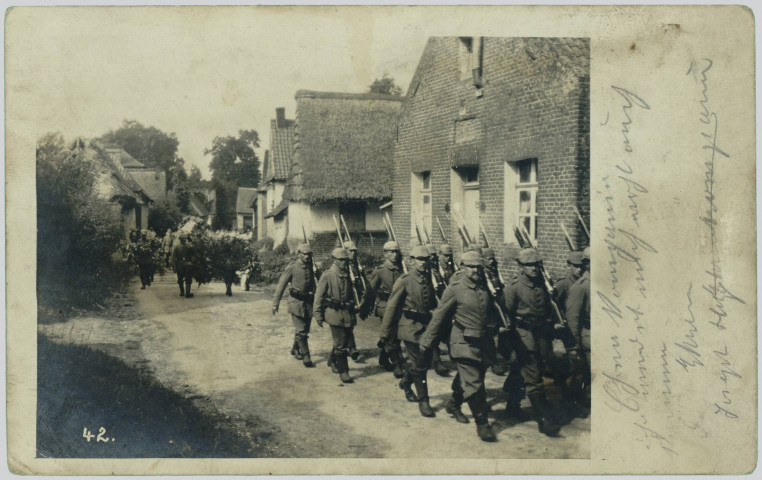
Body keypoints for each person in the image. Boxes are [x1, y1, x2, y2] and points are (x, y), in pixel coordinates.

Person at [420, 250, 501, 442]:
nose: (475, 270)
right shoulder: (455, 288)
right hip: (462, 341)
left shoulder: (484, 286)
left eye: (478, 267)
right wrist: (427, 341)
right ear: (463, 267)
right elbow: (439, 316)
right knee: (474, 383)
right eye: (471, 267)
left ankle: (454, 404)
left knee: (474, 376)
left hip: (483, 341)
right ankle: (483, 424)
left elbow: (492, 310)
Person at [502, 248, 561, 437]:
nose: (534, 268)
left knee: (523, 371)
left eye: (536, 264)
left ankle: (512, 405)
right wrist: (510, 343)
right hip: (523, 336)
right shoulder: (513, 287)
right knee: (533, 377)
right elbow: (506, 316)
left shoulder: (541, 284)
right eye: (529, 265)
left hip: (541, 335)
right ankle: (542, 420)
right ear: (520, 266)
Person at [380, 245, 439, 417]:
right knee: (420, 363)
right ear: (411, 261)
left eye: (425, 260)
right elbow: (391, 307)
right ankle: (424, 400)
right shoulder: (404, 280)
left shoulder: (428, 278)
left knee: (423, 362)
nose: (423, 263)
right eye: (419, 260)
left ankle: (406, 382)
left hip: (425, 327)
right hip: (409, 327)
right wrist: (384, 333)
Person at [313, 247, 358, 384]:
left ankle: (333, 360)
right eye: (341, 260)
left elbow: (352, 293)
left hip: (347, 313)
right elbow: (319, 296)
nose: (344, 263)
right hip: (334, 313)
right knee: (341, 344)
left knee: (342, 340)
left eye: (346, 260)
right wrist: (318, 314)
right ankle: (344, 371)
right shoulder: (328, 275)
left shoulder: (347, 275)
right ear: (334, 260)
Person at [272, 243, 317, 368]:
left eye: (309, 254)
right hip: (295, 303)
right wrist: (275, 304)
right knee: (302, 331)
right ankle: (306, 356)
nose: (307, 257)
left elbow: (316, 284)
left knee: (305, 330)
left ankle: (295, 349)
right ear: (299, 254)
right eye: (305, 254)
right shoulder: (292, 267)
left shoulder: (311, 267)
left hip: (308, 302)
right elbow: (281, 285)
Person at [367, 241, 405, 377]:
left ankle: (383, 357)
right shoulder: (380, 271)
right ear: (385, 253)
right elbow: (370, 291)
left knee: (395, 334)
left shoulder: (402, 269)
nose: (394, 254)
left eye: (396, 251)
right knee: (391, 335)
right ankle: (397, 364)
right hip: (385, 307)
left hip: (400, 307)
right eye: (391, 251)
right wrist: (366, 307)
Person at [564, 246, 591, 414]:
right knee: (582, 373)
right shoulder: (581, 286)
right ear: (587, 263)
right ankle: (572, 404)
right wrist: (573, 346)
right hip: (588, 337)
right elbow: (573, 318)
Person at [427, 244, 450, 377]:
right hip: (429, 310)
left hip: (440, 307)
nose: (432, 259)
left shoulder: (438, 272)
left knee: (447, 332)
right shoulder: (422, 273)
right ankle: (437, 362)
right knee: (433, 335)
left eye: (434, 256)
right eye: (430, 256)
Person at [345, 241, 371, 361]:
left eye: (355, 251)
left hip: (355, 298)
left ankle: (297, 344)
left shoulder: (356, 264)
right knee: (348, 325)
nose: (353, 253)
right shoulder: (343, 265)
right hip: (346, 299)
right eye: (351, 251)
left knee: (349, 325)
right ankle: (352, 349)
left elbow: (362, 282)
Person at [171, 232, 195, 298]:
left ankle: (182, 292)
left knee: (180, 278)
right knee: (188, 279)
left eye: (184, 239)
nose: (184, 240)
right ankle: (187, 292)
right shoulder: (189, 246)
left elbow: (173, 258)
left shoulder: (177, 247)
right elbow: (193, 256)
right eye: (183, 239)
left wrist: (174, 267)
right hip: (187, 265)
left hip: (180, 265)